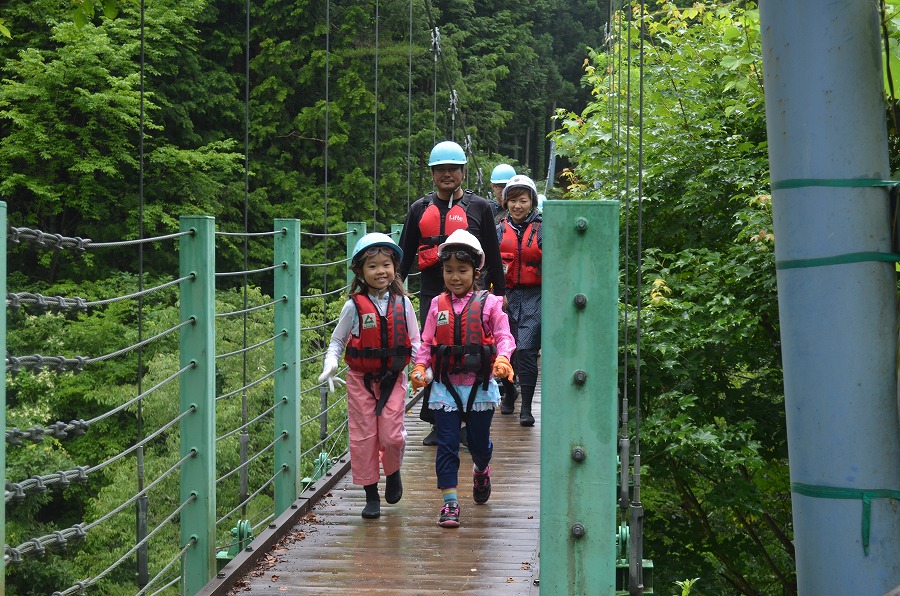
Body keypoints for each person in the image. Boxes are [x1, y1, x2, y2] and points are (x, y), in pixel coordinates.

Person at [398, 140, 507, 446]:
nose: (447, 174)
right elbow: (405, 252)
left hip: (474, 294)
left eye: (452, 169)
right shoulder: (419, 209)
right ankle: (437, 418)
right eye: (440, 170)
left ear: (462, 171)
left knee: (472, 351)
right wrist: (397, 285)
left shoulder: (480, 207)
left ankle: (468, 418)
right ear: (432, 174)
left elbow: (493, 253)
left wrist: (501, 290)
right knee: (436, 352)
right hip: (433, 293)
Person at [410, 229, 515, 528]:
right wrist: (420, 367)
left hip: (479, 387)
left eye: (462, 270)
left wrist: (503, 359)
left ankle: (481, 470)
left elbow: (504, 336)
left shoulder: (491, 303)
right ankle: (450, 504)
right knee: (447, 444)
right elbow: (427, 344)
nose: (455, 277)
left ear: (476, 270)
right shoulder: (436, 305)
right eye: (448, 271)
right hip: (445, 388)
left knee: (479, 445)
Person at [318, 232, 421, 519]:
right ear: (361, 271)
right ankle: (371, 494)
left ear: (395, 268)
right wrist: (331, 363)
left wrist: (422, 368)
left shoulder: (404, 304)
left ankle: (394, 470)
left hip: (393, 379)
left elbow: (416, 341)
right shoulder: (353, 306)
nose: (380, 271)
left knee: (391, 437)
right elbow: (338, 341)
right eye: (372, 266)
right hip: (361, 380)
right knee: (364, 438)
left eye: (385, 265)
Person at [496, 175, 542, 426]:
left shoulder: (543, 228)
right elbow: (489, 266)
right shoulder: (498, 229)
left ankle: (526, 407)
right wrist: (496, 292)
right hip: (506, 296)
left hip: (536, 296)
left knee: (525, 350)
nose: (517, 206)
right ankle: (509, 390)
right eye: (512, 200)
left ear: (532, 202)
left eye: (523, 201)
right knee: (505, 348)